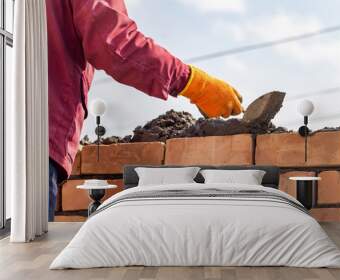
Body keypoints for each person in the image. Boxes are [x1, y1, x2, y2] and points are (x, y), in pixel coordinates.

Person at [46, 0, 244, 221]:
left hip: (17, 128)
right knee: (31, 243)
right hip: (38, 137)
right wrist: (195, 83)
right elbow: (114, 42)